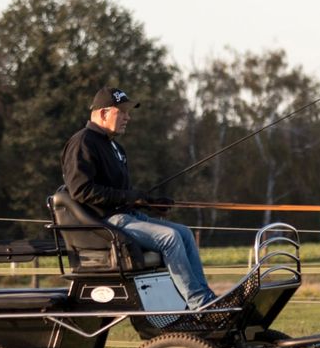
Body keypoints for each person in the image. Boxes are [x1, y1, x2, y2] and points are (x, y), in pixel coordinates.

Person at [62, 86, 216, 309]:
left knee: (184, 233)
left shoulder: (115, 147)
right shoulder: (82, 142)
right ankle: (200, 304)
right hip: (104, 223)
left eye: (128, 112)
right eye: (122, 111)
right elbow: (81, 191)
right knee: (170, 237)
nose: (128, 117)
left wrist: (150, 204)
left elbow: (121, 192)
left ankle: (208, 297)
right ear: (104, 113)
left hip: (125, 217)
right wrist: (130, 197)